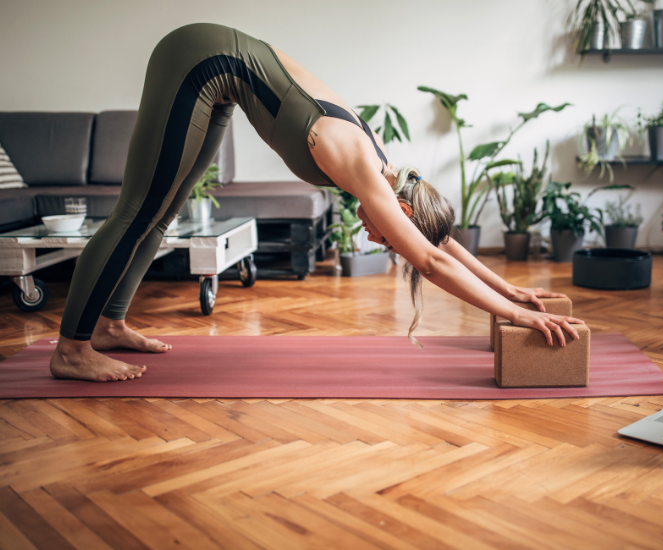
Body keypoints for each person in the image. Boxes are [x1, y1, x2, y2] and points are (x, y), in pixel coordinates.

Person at [49, 23, 584, 382]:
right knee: (136, 212)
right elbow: (431, 259)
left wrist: (508, 286)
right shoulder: (359, 164)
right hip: (196, 60)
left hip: (219, 79)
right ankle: (70, 350)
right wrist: (514, 313)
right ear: (399, 211)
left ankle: (108, 325)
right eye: (385, 234)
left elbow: (436, 242)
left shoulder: (393, 175)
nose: (378, 240)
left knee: (161, 216)